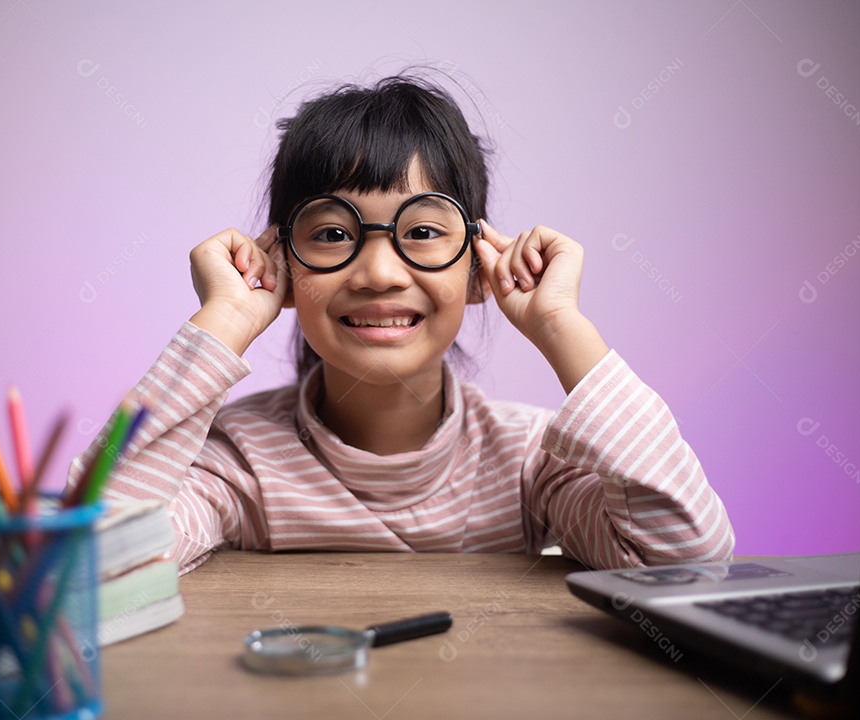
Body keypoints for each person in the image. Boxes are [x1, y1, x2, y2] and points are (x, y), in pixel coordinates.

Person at [69, 75, 734, 574]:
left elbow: (687, 561)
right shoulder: (236, 463)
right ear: (283, 267)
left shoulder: (534, 462)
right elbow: (86, 565)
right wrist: (224, 319)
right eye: (333, 233)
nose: (380, 273)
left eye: (421, 231)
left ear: (478, 270)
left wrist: (561, 324)